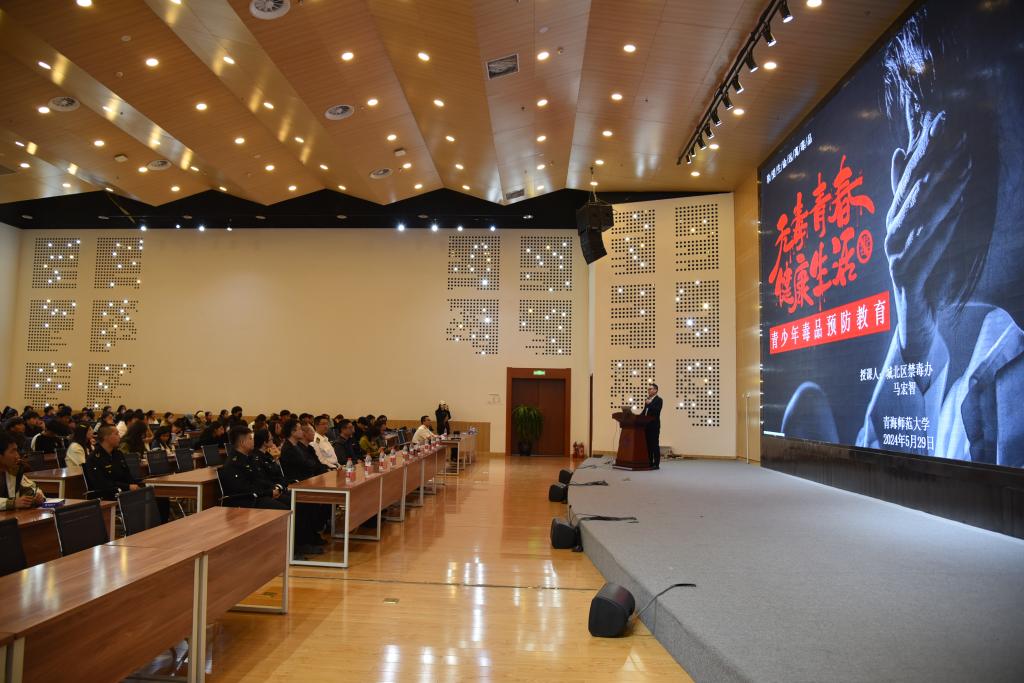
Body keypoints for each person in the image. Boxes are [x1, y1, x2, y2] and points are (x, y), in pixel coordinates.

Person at [83, 424, 144, 499]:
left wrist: (135, 486)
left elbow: (127, 475)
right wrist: (128, 487)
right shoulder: (94, 458)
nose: (119, 437)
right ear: (106, 437)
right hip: (108, 495)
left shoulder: (118, 454)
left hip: (125, 493)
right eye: (116, 434)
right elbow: (102, 484)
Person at [1, 432, 46, 510]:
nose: (17, 456)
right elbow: (13, 503)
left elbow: (32, 488)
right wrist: (12, 503)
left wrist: (37, 497)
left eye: (16, 451)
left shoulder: (12, 470)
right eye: (12, 451)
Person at [643, 384, 663, 469]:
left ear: (655, 390)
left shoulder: (659, 400)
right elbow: (645, 411)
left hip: (654, 425)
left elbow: (656, 410)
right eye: (648, 389)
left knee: (654, 444)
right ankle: (649, 462)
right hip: (646, 425)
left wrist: (650, 403)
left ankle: (656, 464)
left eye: (650, 389)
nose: (649, 390)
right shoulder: (647, 399)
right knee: (648, 445)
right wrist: (636, 417)